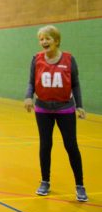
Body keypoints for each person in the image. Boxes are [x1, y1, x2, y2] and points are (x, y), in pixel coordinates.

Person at [24, 25, 87, 202]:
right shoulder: (36, 60)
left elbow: (75, 84)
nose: (44, 42)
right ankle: (45, 181)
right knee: (45, 145)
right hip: (43, 109)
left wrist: (80, 106)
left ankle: (80, 185)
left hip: (65, 109)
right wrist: (28, 96)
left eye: (47, 38)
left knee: (71, 146)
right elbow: (31, 82)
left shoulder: (68, 59)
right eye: (41, 39)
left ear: (56, 41)